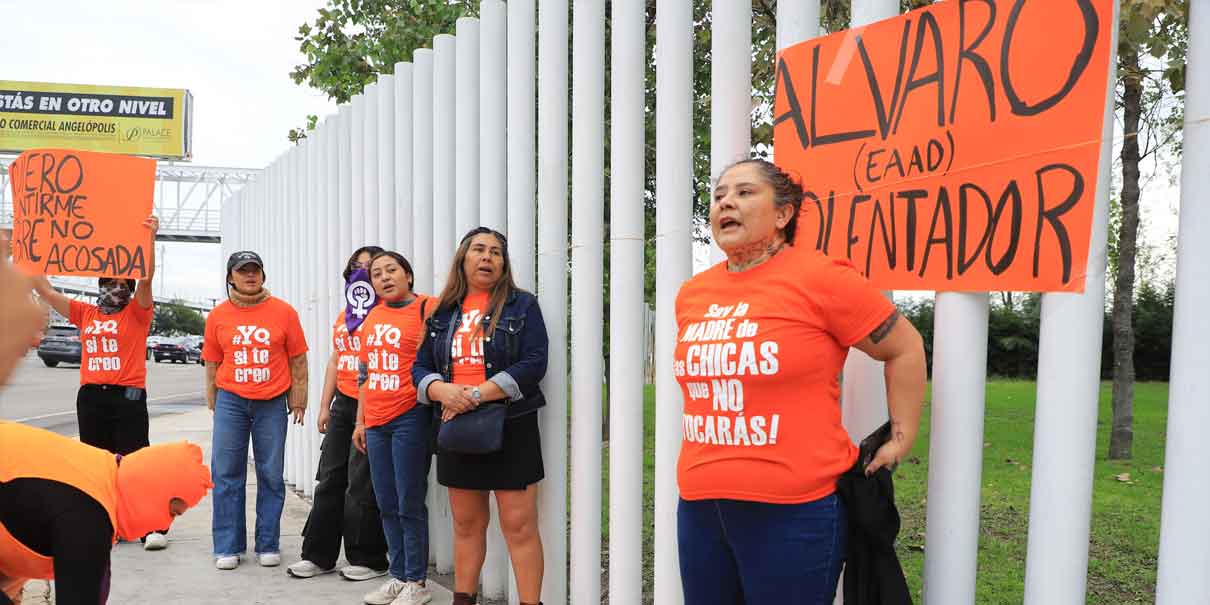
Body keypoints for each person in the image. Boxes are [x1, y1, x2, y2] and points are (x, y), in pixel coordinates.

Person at [673, 159, 927, 604]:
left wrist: (901, 436)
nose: (726, 202)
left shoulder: (821, 277)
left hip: (794, 512)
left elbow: (904, 347)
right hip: (700, 507)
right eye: (718, 196)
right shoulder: (693, 294)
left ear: (784, 214)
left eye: (745, 192)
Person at [413, 227, 549, 605]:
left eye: (496, 252)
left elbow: (535, 361)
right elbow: (420, 367)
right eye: (479, 249)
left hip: (512, 424)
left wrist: (473, 394)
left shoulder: (522, 305)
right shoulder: (441, 311)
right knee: (466, 524)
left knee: (519, 525)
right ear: (464, 258)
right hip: (457, 428)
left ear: (504, 264)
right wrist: (441, 391)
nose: (487, 257)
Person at [30, 216, 168, 550]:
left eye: (122, 284)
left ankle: (152, 526)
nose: (115, 288)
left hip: (128, 397)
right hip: (91, 397)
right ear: (99, 285)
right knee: (97, 464)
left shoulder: (136, 314)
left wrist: (151, 235)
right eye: (108, 282)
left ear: (130, 291)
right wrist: (28, 250)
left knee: (134, 461)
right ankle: (108, 525)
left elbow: (147, 278)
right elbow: (45, 290)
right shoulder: (85, 314)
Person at [0, 421, 212, 605]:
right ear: (153, 487)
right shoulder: (88, 520)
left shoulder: (104, 473)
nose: (165, 526)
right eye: (172, 512)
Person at [287, 246, 390, 582]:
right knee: (330, 478)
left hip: (372, 404)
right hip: (343, 404)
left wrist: (363, 413)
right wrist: (323, 406)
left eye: (370, 268)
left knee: (361, 483)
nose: (361, 273)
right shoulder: (348, 312)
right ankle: (318, 555)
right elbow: (336, 358)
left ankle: (369, 558)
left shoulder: (386, 313)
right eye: (355, 267)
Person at [202, 251, 309, 571]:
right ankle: (227, 545)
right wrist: (213, 401)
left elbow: (298, 360)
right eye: (242, 271)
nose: (250, 276)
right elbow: (212, 362)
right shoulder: (218, 316)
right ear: (230, 277)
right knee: (225, 473)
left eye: (255, 270)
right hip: (231, 401)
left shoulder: (284, 312)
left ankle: (268, 543)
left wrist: (298, 399)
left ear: (263, 275)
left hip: (272, 402)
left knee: (271, 473)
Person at [351, 251, 434, 605]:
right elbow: (365, 375)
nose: (384, 277)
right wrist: (361, 420)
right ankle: (398, 576)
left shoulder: (428, 308)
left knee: (409, 501)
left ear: (409, 276)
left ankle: (417, 582)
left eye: (392, 270)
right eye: (377, 274)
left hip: (411, 415)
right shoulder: (370, 319)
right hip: (376, 421)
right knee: (385, 501)